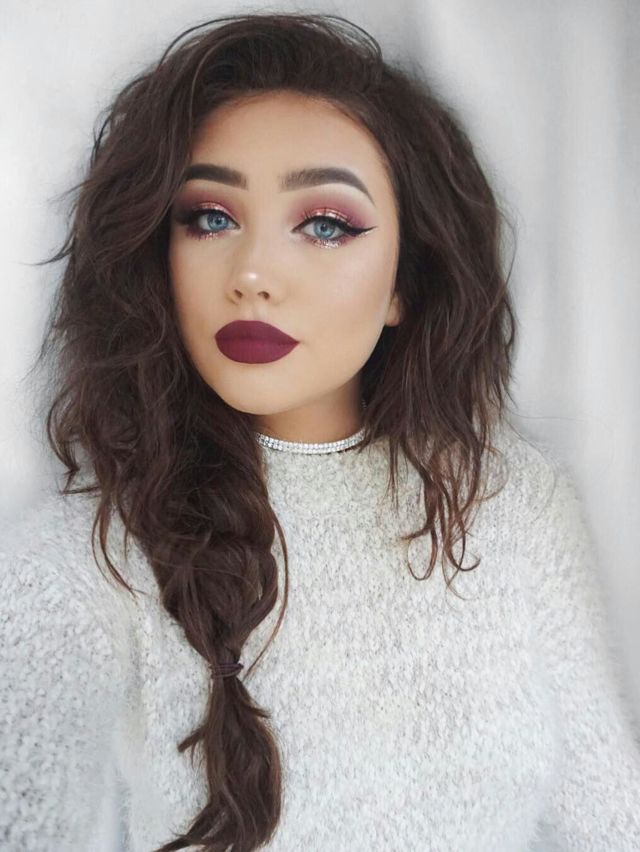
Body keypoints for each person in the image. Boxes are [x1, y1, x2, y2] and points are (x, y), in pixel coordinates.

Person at [1, 11, 639, 852]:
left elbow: (613, 822)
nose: (252, 274)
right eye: (210, 217)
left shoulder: (511, 506)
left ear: (406, 282)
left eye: (325, 224)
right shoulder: (83, 565)